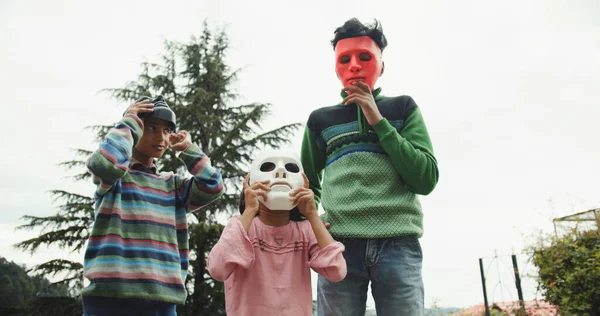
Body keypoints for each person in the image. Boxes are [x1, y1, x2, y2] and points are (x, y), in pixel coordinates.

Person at [300, 18, 439, 316]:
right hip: (338, 245)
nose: (354, 65)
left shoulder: (403, 108)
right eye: (344, 59)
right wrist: (311, 223)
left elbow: (426, 179)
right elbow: (307, 186)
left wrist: (378, 120)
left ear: (381, 66)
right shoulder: (320, 120)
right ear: (336, 68)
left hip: (398, 244)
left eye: (365, 57)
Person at [80, 95, 225, 315]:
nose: (161, 137)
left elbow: (213, 185)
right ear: (136, 130)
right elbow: (104, 162)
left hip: (162, 301)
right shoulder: (114, 179)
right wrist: (128, 122)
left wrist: (188, 150)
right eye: (151, 128)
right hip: (109, 299)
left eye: (166, 131)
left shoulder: (172, 185)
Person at [206, 149, 347, 316]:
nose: (280, 172)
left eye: (290, 168)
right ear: (250, 183)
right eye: (268, 167)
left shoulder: (306, 230)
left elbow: (337, 271)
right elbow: (217, 269)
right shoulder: (241, 227)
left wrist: (312, 215)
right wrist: (250, 210)